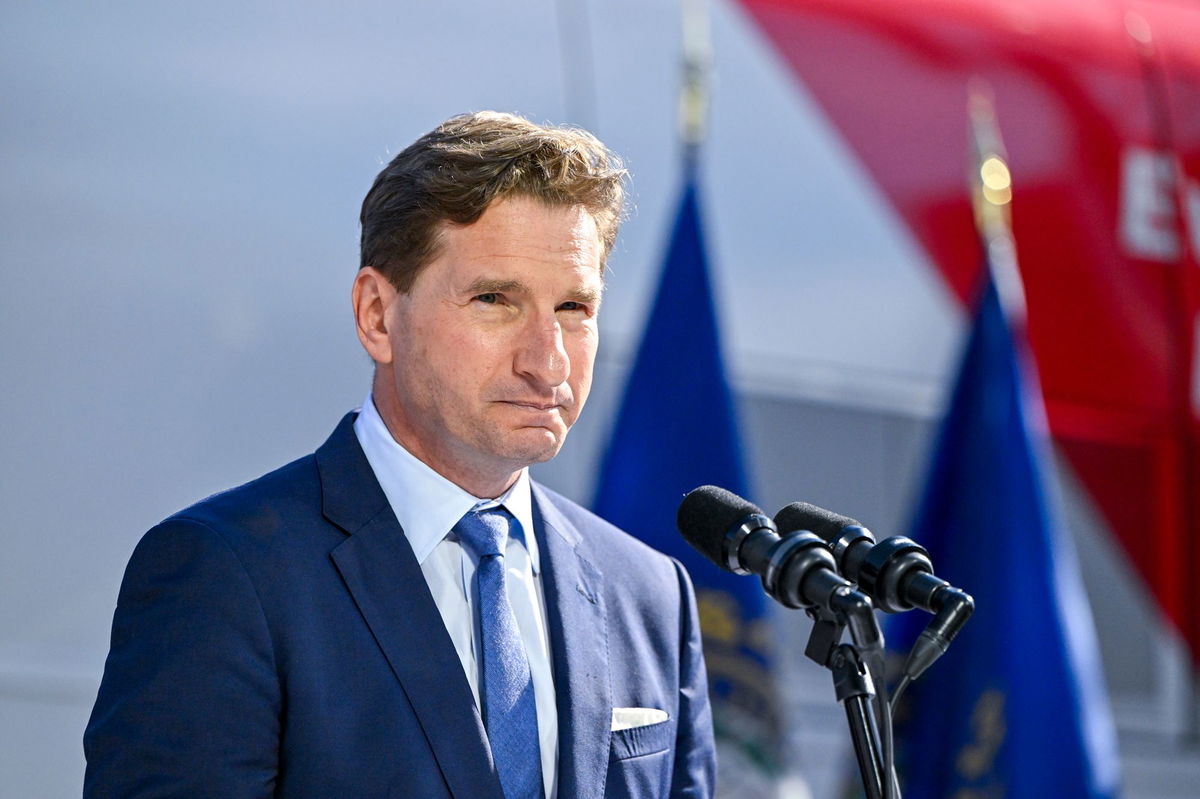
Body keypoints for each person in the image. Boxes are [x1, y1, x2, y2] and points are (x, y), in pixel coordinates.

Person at [83, 111, 716, 799]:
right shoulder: (226, 576)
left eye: (573, 307)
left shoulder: (650, 594)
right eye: (496, 299)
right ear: (378, 315)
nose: (548, 360)